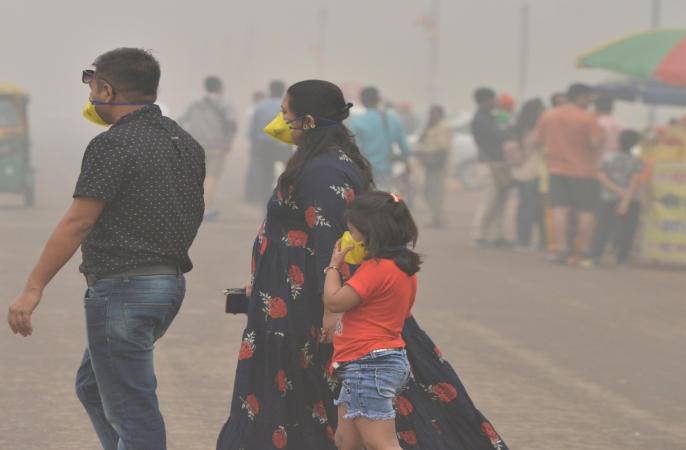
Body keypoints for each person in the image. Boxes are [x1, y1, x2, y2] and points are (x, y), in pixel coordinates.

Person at [217, 80, 507, 450]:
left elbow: (334, 244)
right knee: (319, 400)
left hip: (312, 306)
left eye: (286, 114)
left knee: (344, 400)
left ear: (308, 121)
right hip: (297, 300)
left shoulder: (324, 171)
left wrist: (331, 313)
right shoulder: (318, 162)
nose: (281, 121)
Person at [7, 48, 205, 450]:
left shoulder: (112, 144)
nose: (91, 97)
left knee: (132, 410)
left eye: (93, 87)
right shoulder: (185, 143)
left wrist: (33, 288)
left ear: (107, 90)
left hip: (125, 291)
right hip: (167, 286)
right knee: (93, 386)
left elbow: (78, 222)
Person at [323, 191, 419, 450]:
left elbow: (335, 302)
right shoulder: (403, 268)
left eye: (353, 232)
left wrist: (334, 266)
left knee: (380, 443)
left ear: (370, 233)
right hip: (375, 361)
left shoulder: (376, 269)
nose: (349, 237)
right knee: (346, 440)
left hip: (368, 363)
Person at [533, 83, 604, 266]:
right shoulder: (588, 118)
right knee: (586, 211)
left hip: (556, 170)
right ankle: (584, 250)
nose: (590, 102)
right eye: (589, 98)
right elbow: (595, 143)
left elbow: (536, 141)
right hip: (585, 172)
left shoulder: (549, 115)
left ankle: (562, 249)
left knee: (559, 209)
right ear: (580, 97)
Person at [179, 75, 237, 221]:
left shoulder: (195, 103)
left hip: (195, 145)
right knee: (211, 177)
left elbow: (181, 120)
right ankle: (205, 210)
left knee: (195, 177)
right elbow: (232, 124)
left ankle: (189, 209)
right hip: (217, 146)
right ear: (220, 88)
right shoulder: (225, 103)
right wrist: (228, 142)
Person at [591, 129, 643, 266]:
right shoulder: (636, 161)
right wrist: (625, 199)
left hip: (608, 198)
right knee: (628, 230)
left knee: (603, 228)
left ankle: (596, 256)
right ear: (635, 144)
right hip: (631, 200)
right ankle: (622, 259)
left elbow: (601, 176)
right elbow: (635, 181)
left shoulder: (607, 158)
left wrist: (617, 190)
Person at [470, 87, 513, 248]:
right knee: (489, 201)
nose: (497, 102)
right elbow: (500, 135)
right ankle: (479, 235)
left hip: (498, 164)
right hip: (489, 165)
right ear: (486, 101)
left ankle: (497, 235)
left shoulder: (490, 116)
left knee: (500, 202)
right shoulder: (481, 119)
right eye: (494, 99)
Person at [350, 86, 412, 192]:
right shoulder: (393, 120)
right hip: (386, 171)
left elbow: (353, 149)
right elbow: (406, 149)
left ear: (362, 101)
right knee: (384, 198)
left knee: (367, 199)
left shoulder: (356, 122)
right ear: (378, 100)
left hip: (364, 171)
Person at [245, 80, 293, 206]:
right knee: (287, 172)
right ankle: (285, 197)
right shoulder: (288, 106)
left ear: (270, 90)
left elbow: (253, 130)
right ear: (283, 91)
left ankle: (266, 200)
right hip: (283, 144)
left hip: (264, 145)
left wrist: (254, 145)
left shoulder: (260, 106)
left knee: (266, 173)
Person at [511, 99, 547, 250]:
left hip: (522, 173)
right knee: (537, 210)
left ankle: (523, 240)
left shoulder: (520, 129)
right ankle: (537, 241)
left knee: (524, 208)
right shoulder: (536, 131)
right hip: (535, 172)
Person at [414, 105, 453, 228]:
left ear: (440, 114)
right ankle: (435, 217)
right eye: (431, 113)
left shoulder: (444, 126)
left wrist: (424, 150)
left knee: (436, 192)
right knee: (428, 192)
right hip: (429, 164)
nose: (432, 116)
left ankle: (437, 218)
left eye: (434, 113)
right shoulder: (431, 125)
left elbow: (442, 145)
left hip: (438, 164)